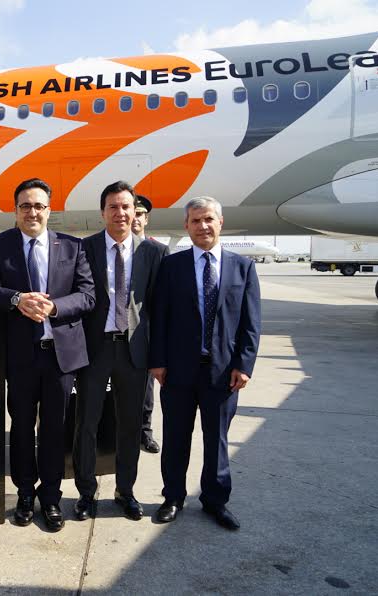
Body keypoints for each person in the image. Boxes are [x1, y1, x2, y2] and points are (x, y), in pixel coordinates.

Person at [0, 178, 95, 532]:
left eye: (39, 206)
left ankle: (51, 497)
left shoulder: (72, 246)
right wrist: (16, 299)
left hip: (60, 357)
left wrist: (54, 307)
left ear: (49, 211)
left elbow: (87, 296)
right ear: (15, 211)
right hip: (21, 357)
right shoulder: (2, 244)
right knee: (22, 427)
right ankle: (25, 493)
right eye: (25, 206)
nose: (32, 212)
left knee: (54, 429)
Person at [149, 196, 260, 531]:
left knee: (217, 440)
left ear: (220, 222)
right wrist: (158, 361)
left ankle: (215, 501)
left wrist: (244, 365)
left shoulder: (243, 267)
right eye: (195, 221)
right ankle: (173, 497)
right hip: (178, 371)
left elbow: (250, 323)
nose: (203, 226)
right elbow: (160, 318)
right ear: (186, 225)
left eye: (209, 219)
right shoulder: (172, 266)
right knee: (175, 438)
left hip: (223, 373)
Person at [73, 181, 167, 522]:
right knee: (86, 423)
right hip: (94, 350)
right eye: (113, 206)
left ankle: (125, 491)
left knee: (130, 426)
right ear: (103, 212)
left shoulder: (153, 252)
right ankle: (86, 493)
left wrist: (158, 358)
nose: (120, 213)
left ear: (135, 211)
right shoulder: (84, 249)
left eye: (126, 206)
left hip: (133, 353)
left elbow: (159, 309)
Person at [131, 194, 163, 454]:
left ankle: (144, 431)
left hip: (144, 333)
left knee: (145, 388)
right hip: (114, 333)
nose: (135, 219)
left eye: (140, 214)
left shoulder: (157, 251)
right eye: (132, 213)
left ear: (146, 219)